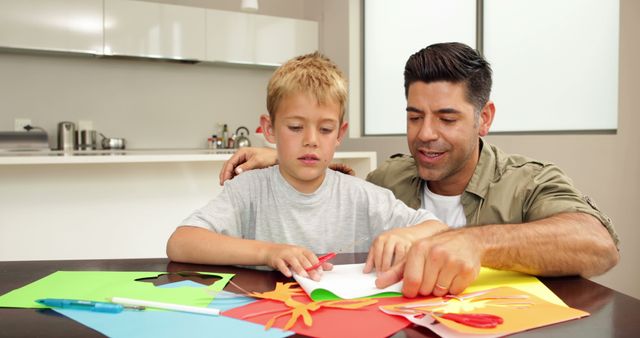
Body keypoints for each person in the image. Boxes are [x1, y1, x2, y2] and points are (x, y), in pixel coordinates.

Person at [218, 42, 620, 297]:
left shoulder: (527, 182)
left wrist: (476, 244)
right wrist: (283, 158)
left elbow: (597, 245)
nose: (426, 134)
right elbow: (340, 189)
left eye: (447, 118)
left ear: (484, 119)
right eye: (415, 117)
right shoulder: (390, 178)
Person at [166, 52, 447, 282]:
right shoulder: (249, 189)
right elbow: (181, 242)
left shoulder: (361, 195)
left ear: (340, 133)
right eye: (296, 127)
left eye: (325, 129)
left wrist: (406, 233)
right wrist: (268, 253)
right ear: (269, 129)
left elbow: (437, 228)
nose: (311, 140)